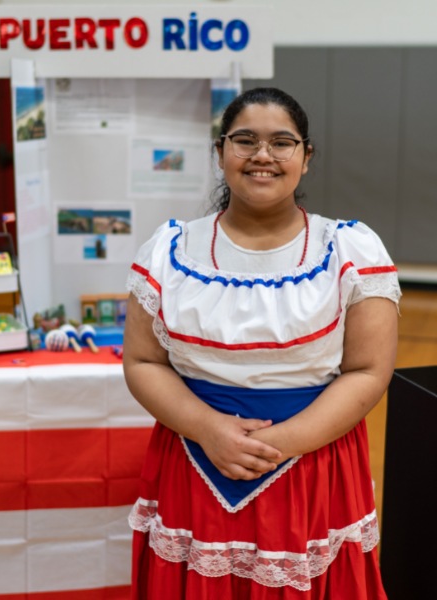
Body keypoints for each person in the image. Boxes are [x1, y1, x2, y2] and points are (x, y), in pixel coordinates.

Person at [122, 87, 400, 599]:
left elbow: (367, 371)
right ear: (220, 152)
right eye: (244, 140)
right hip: (194, 457)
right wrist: (208, 428)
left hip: (311, 466)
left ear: (306, 156)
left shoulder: (350, 250)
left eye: (282, 142)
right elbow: (141, 361)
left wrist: (272, 446)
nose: (262, 156)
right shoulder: (168, 249)